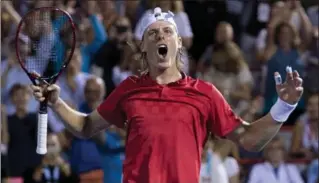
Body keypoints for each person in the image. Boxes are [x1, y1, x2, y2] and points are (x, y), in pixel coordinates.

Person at [31, 7, 304, 183]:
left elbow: (248, 139)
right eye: (153, 33)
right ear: (144, 48)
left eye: (167, 32)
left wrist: (284, 106)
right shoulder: (129, 90)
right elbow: (85, 126)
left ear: (178, 43)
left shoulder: (205, 93)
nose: (161, 36)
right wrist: (56, 102)